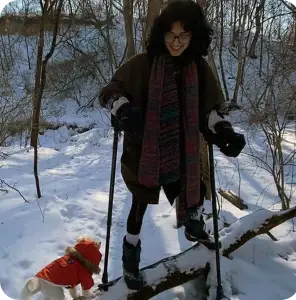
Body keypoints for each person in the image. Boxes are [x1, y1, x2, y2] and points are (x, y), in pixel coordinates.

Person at [99, 0, 245, 290]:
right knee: (138, 208)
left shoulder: (198, 68)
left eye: (184, 35)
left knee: (193, 191)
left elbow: (210, 111)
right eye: (171, 34)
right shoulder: (143, 64)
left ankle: (194, 226)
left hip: (183, 153)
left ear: (194, 37)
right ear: (161, 33)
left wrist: (224, 131)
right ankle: (130, 259)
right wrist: (125, 110)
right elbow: (109, 93)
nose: (177, 42)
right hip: (145, 153)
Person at [21, 236, 102, 299]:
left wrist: (76, 296)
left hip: (45, 276)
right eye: (95, 244)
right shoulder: (83, 270)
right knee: (59, 297)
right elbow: (86, 289)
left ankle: (33, 285)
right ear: (93, 257)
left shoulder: (71, 259)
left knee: (51, 295)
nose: (98, 243)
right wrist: (91, 296)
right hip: (50, 282)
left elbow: (71, 284)